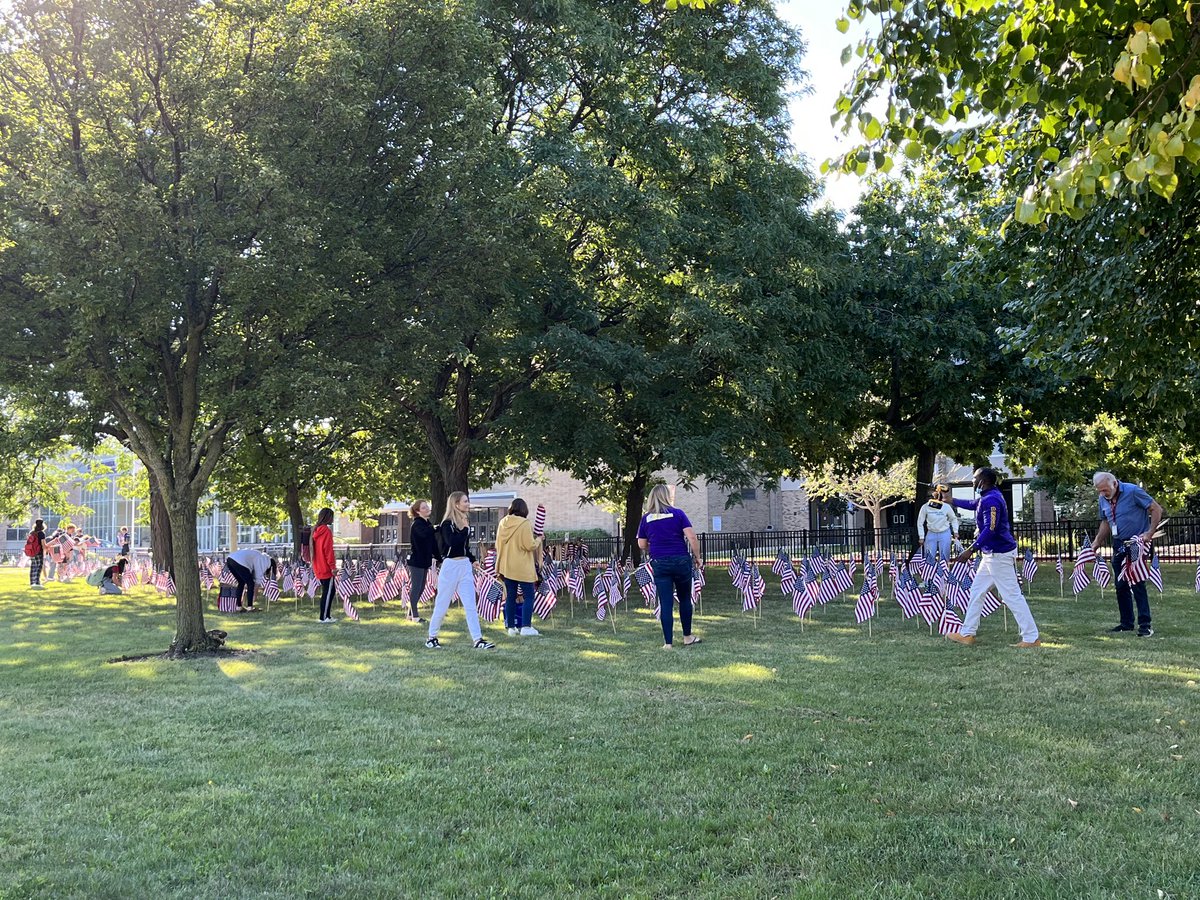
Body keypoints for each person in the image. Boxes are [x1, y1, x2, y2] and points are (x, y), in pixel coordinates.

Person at [945, 467, 1041, 647]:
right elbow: (975, 504)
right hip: (991, 555)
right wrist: (951, 500)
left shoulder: (992, 499)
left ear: (983, 481)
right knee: (976, 592)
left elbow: (990, 528)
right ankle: (967, 633)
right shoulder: (988, 497)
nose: (972, 481)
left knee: (1012, 596)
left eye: (974, 479)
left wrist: (971, 550)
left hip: (999, 555)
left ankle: (1031, 637)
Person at [1090, 471, 1163, 637]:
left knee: (1137, 583)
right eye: (1099, 491)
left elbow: (1156, 508)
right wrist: (1096, 542)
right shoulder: (1103, 499)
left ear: (1114, 483)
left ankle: (1145, 625)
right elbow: (1106, 522)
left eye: (1105, 490)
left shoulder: (1133, 491)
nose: (1102, 494)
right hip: (1119, 544)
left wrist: (1150, 533)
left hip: (1137, 543)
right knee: (1121, 584)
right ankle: (1126, 623)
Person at [636, 484, 703, 649]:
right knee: (685, 598)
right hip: (680, 559)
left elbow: (641, 544)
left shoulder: (646, 518)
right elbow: (692, 537)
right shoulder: (678, 513)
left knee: (665, 602)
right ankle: (687, 637)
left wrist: (655, 546)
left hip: (660, 562)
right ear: (667, 497)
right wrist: (698, 557)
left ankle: (668, 643)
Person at [426, 492, 494, 650]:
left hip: (464, 567)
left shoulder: (465, 521)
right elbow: (452, 543)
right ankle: (432, 637)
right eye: (465, 501)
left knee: (470, 604)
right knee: (442, 605)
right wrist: (464, 530)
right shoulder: (447, 524)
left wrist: (472, 559)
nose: (468, 504)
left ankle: (478, 639)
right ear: (456, 504)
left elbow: (464, 547)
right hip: (450, 567)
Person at [496, 498, 543, 637]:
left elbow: (498, 544)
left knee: (510, 596)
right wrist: (539, 539)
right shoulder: (524, 523)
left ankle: (511, 627)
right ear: (524, 510)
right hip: (522, 566)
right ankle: (526, 627)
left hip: (506, 565)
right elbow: (529, 545)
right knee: (529, 596)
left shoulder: (502, 522)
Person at [406, 500, 440, 624]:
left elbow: (432, 543)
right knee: (416, 588)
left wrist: (439, 557)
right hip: (416, 561)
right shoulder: (417, 524)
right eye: (424, 508)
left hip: (424, 561)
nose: (427, 509)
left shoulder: (427, 523)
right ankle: (415, 616)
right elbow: (424, 535)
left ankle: (410, 614)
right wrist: (435, 528)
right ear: (418, 511)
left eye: (427, 507)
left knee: (421, 588)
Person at [917, 483, 959, 565]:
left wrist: (955, 531)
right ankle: (930, 575)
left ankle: (944, 575)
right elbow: (920, 522)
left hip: (944, 533)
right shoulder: (925, 507)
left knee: (944, 558)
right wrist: (921, 537)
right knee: (929, 557)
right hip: (931, 533)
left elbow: (953, 519)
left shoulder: (946, 507)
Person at [224, 547, 277, 613]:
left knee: (241, 582)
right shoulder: (263, 560)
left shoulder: (260, 556)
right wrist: (255, 594)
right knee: (250, 584)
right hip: (239, 561)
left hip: (230, 559)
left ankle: (239, 607)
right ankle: (250, 607)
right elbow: (258, 576)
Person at [310, 507, 337, 623]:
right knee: (328, 592)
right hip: (326, 567)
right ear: (328, 517)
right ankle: (324, 617)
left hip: (318, 566)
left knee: (329, 591)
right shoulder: (326, 531)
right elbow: (328, 550)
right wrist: (333, 567)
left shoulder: (315, 530)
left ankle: (327, 616)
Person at [27, 519, 47, 589]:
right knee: (39, 567)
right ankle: (37, 582)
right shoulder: (41, 533)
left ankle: (32, 582)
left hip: (32, 552)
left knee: (33, 566)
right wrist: (46, 549)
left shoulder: (32, 532)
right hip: (39, 552)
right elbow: (43, 544)